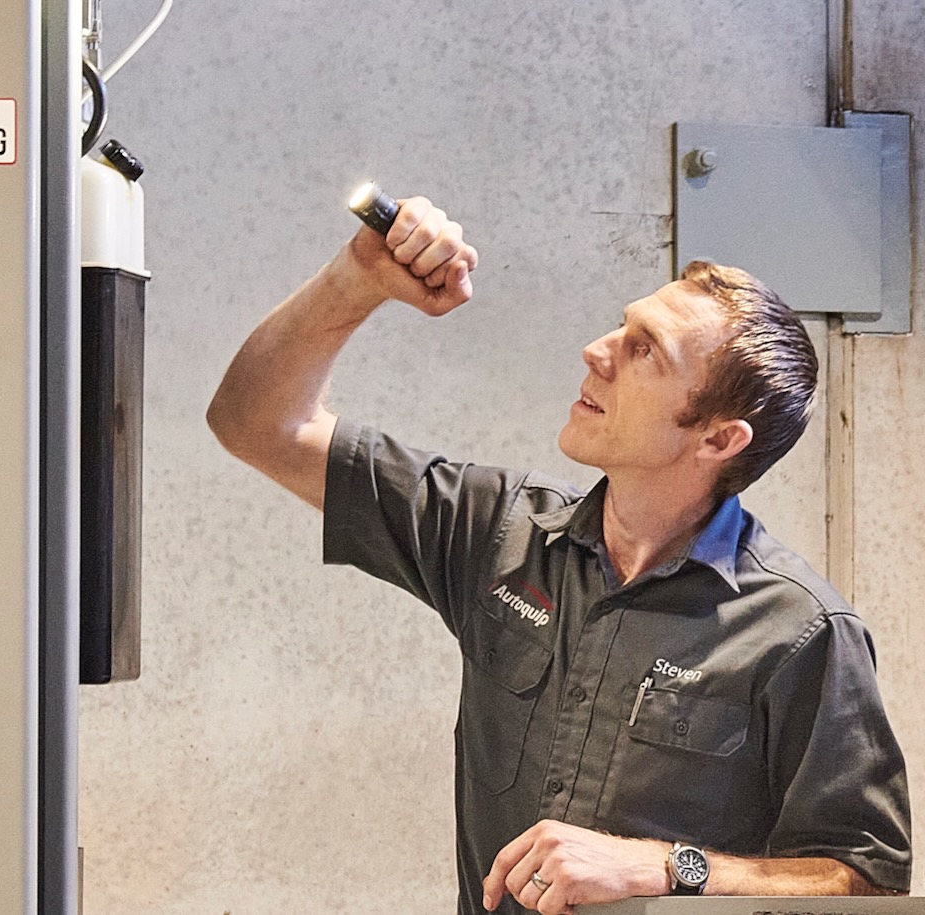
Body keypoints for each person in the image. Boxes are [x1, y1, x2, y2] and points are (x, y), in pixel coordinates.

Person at [206, 196, 912, 914]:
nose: (597, 351)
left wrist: (666, 865)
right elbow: (253, 423)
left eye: (645, 349)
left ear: (718, 439)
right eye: (623, 326)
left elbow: (867, 876)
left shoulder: (801, 631)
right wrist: (357, 277)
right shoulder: (498, 531)